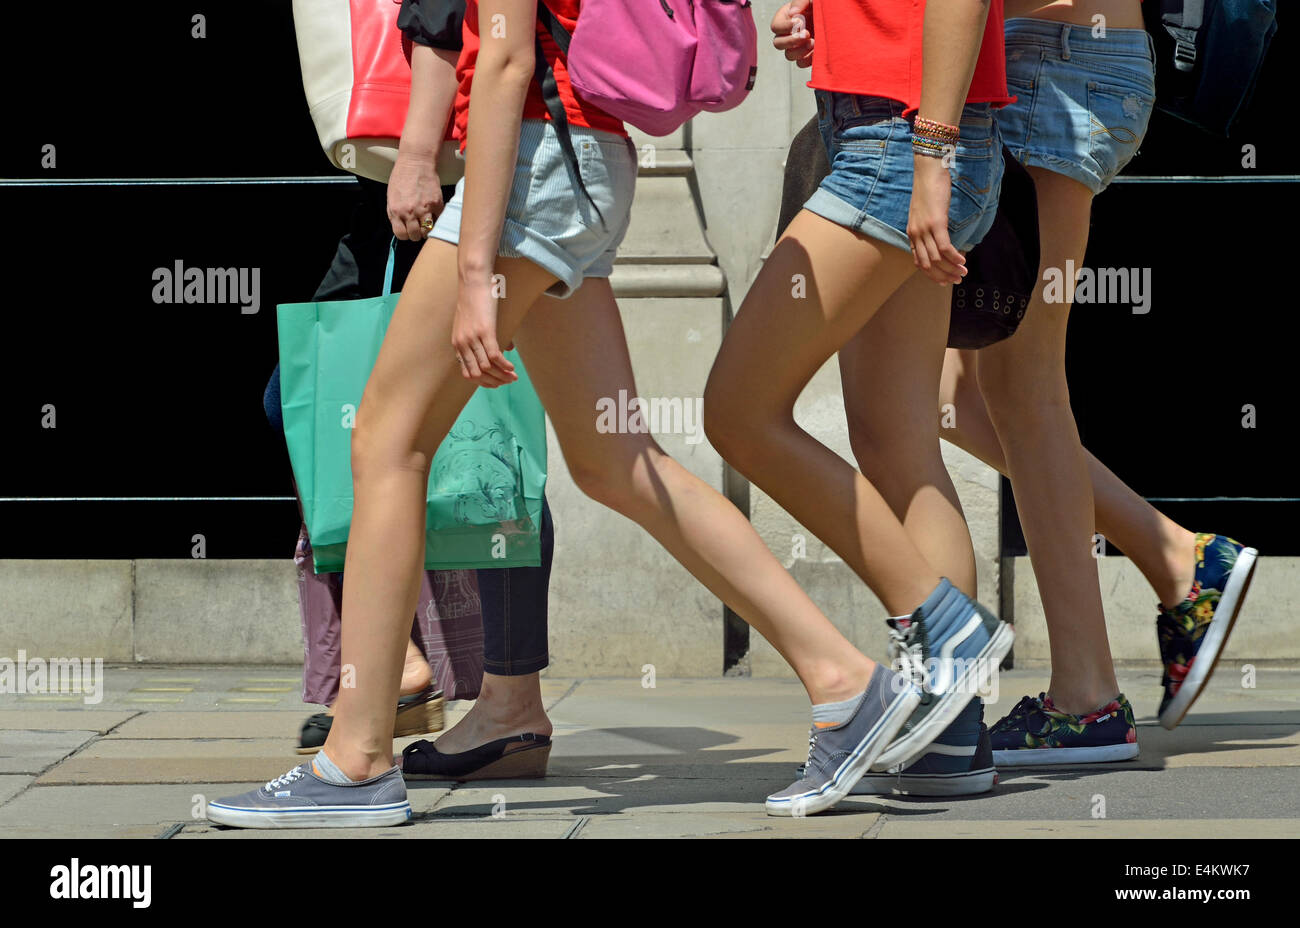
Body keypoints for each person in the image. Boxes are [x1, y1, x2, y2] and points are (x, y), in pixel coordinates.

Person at [207, 0, 932, 829]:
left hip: (531, 166)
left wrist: (474, 266)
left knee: (386, 440)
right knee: (617, 462)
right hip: (573, 162)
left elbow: (509, 57)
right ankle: (845, 681)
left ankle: (358, 759)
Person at [705, 0, 1019, 807]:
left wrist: (931, 157)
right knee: (897, 442)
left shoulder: (916, 148)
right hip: (883, 133)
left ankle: (942, 622)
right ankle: (950, 737)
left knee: (738, 412)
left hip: (902, 143)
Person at [930, 0, 1257, 763]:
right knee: (956, 399)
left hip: (1053, 68)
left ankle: (1087, 696)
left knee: (1023, 384)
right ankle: (1173, 553)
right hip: (1037, 70)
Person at [267, 0, 561, 773]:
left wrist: (419, 154)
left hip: (467, 170)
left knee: (494, 432)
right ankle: (443, 682)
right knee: (327, 410)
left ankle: (494, 694)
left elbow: (445, 22)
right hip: (442, 173)